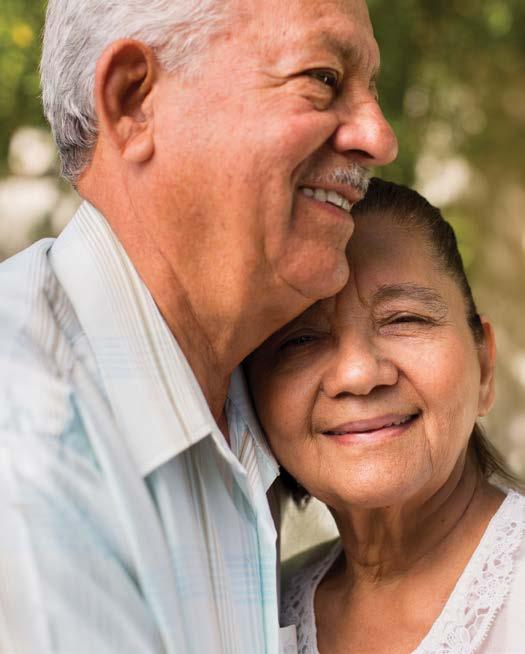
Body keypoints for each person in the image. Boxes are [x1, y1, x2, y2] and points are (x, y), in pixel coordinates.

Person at [0, 0, 397, 652]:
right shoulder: (28, 441)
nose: (378, 138)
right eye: (323, 78)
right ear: (134, 104)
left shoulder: (251, 396)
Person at [246, 179, 525, 654]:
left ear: (483, 366)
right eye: (300, 340)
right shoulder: (259, 611)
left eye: (404, 319)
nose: (358, 374)